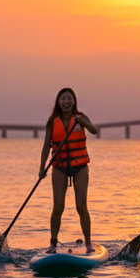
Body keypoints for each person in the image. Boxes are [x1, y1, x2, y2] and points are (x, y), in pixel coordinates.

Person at [39, 88, 98, 254]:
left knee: (81, 206)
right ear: (58, 102)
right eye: (63, 99)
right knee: (58, 207)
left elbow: (94, 130)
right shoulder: (52, 122)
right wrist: (42, 168)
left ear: (74, 101)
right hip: (59, 167)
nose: (66, 102)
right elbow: (45, 147)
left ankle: (88, 244)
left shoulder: (81, 117)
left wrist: (83, 122)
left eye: (69, 99)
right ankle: (52, 244)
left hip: (79, 167)